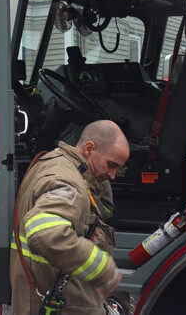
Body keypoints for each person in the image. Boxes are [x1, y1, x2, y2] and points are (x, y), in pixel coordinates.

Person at [10, 120, 129, 314]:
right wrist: (103, 268)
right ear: (89, 149)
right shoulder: (67, 179)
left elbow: (98, 211)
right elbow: (45, 231)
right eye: (111, 165)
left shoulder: (60, 164)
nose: (113, 175)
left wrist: (100, 182)